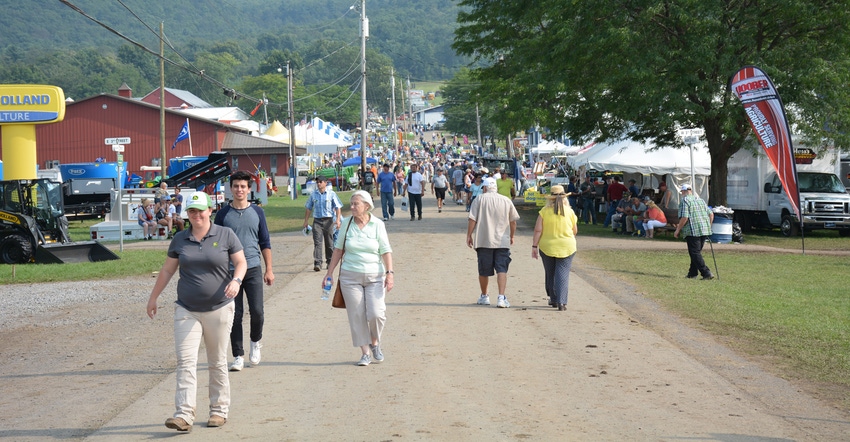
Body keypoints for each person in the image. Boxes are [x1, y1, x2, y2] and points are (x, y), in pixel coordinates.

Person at [146, 192, 247, 432]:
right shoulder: (180, 239)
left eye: (200, 210)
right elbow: (168, 271)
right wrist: (154, 297)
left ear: (210, 210)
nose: (196, 215)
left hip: (219, 307)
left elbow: (241, 262)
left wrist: (236, 280)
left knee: (217, 361)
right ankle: (184, 414)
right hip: (186, 309)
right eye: (192, 211)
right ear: (187, 214)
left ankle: (218, 410)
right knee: (186, 361)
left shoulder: (225, 234)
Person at [324, 191, 394, 366]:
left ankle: (374, 342)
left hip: (375, 276)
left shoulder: (377, 225)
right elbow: (338, 250)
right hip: (350, 276)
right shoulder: (346, 224)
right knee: (357, 315)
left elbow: (385, 250)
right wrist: (329, 273)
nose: (352, 207)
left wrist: (390, 273)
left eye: (356, 204)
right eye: (352, 204)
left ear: (366, 206)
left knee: (377, 314)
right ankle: (365, 353)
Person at [215, 171, 275, 372]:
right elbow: (216, 244)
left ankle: (255, 342)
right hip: (230, 273)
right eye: (236, 186)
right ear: (230, 188)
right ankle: (238, 355)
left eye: (243, 186)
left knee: (257, 311)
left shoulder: (257, 212)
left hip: (253, 268)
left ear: (249, 189)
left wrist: (269, 269)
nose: (239, 190)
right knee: (235, 314)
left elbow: (264, 241)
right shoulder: (223, 214)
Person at [467, 177, 521, 308]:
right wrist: (512, 236)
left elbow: (472, 219)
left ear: (485, 188)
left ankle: (484, 295)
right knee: (502, 268)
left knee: (484, 270)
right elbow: (513, 221)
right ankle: (501, 297)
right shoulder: (506, 200)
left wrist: (469, 235)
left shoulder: (479, 199)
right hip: (502, 240)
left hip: (484, 239)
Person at [531, 185, 578, 311]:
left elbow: (538, 230)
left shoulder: (544, 211)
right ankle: (562, 302)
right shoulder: (570, 212)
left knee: (550, 272)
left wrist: (534, 246)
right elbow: (574, 230)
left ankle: (553, 298)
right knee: (562, 274)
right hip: (567, 246)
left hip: (548, 246)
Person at [674, 184, 715, 280]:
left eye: (682, 192)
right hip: (704, 229)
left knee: (694, 252)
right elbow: (711, 214)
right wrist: (708, 226)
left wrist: (677, 230)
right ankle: (692, 273)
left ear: (683, 192)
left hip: (693, 230)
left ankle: (706, 272)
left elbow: (685, 217)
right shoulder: (700, 200)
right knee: (696, 252)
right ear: (691, 191)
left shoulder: (685, 201)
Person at [304, 176, 343, 272]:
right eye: (317, 182)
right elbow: (308, 208)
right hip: (317, 221)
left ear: (326, 183)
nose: (318, 184)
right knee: (317, 242)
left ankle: (329, 262)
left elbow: (338, 207)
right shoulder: (313, 195)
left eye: (320, 182)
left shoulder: (331, 194)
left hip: (328, 221)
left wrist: (338, 220)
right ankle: (317, 263)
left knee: (329, 242)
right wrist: (306, 221)